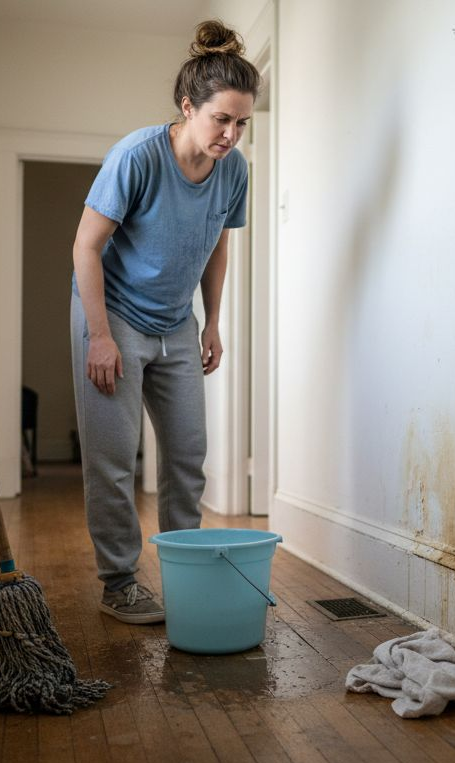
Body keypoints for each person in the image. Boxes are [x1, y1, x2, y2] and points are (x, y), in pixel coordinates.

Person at [70, 20, 258, 624]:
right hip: (115, 312)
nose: (231, 134)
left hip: (178, 320)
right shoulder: (137, 155)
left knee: (186, 456)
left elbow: (219, 245)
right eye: (220, 119)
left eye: (242, 122)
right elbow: (84, 248)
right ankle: (120, 582)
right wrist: (99, 336)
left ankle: (186, 572)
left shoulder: (234, 171)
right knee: (115, 457)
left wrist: (212, 323)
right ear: (187, 106)